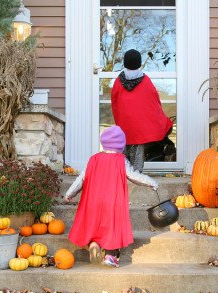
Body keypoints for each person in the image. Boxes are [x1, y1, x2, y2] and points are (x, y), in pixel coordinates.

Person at [65, 125, 158, 268]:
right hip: (113, 202)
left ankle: (94, 244)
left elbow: (81, 179)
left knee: (94, 224)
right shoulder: (121, 160)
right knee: (111, 228)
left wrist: (69, 194)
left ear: (103, 143)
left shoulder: (93, 159)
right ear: (121, 145)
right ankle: (110, 256)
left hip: (93, 202)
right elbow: (134, 176)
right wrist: (151, 183)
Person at [111, 49, 174, 172]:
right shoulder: (145, 81)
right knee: (138, 151)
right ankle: (137, 175)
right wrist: (162, 121)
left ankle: (124, 175)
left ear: (125, 63)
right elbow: (154, 103)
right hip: (139, 127)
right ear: (139, 63)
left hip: (125, 124)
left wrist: (119, 120)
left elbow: (115, 102)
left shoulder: (119, 81)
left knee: (124, 150)